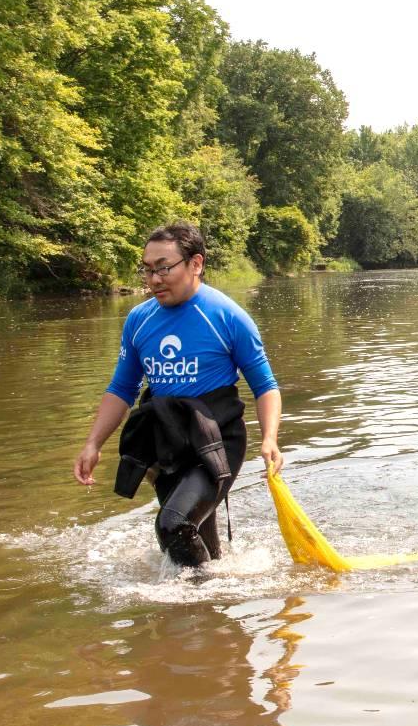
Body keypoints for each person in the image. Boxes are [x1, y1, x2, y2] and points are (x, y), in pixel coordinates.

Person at [73, 223, 284, 567]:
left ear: (195, 263)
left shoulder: (227, 317)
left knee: (173, 525)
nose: (154, 279)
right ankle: (216, 604)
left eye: (164, 268)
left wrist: (270, 439)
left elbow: (265, 385)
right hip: (165, 440)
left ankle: (194, 607)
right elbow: (121, 389)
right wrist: (93, 443)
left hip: (217, 441)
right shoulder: (139, 320)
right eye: (148, 269)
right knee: (196, 538)